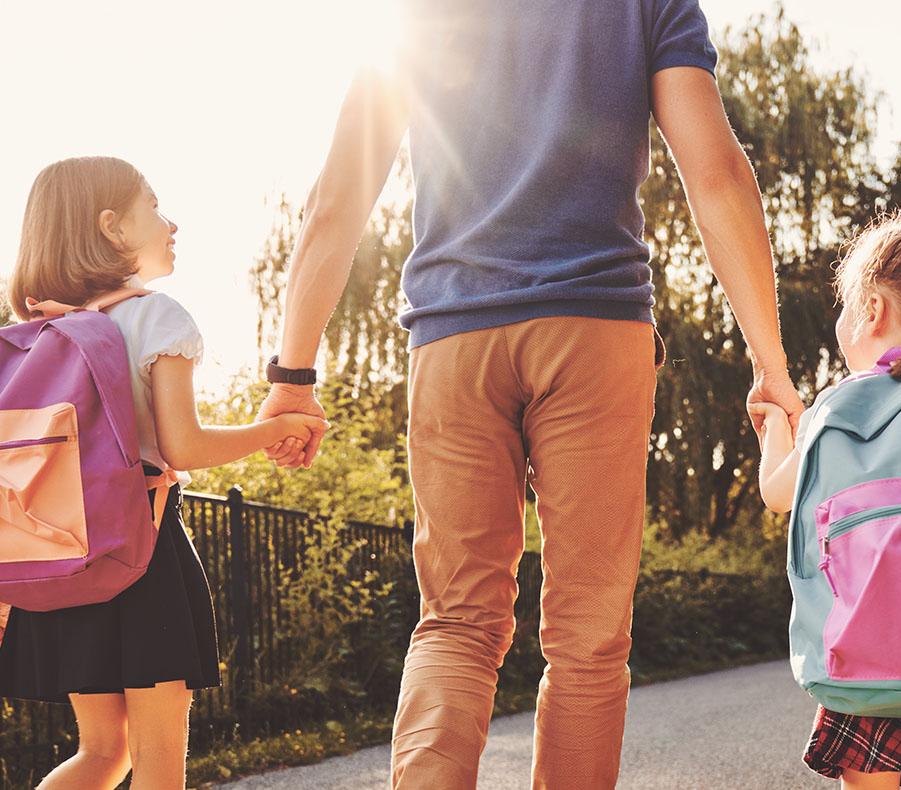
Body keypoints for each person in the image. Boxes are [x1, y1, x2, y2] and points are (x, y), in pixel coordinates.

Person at [255, 1, 803, 786]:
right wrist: (770, 365)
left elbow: (336, 199)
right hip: (597, 331)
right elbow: (715, 172)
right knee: (588, 638)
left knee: (455, 624)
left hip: (454, 340)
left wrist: (293, 378)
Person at [0, 156, 326, 790]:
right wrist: (276, 429)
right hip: (141, 555)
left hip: (64, 556)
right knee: (156, 769)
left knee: (100, 753)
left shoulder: (35, 335)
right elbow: (184, 446)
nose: (171, 222)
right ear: (112, 226)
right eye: (154, 206)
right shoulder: (156, 317)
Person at [750, 212, 901, 790]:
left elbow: (777, 495)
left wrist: (778, 431)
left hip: (872, 672)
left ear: (873, 310)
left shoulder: (838, 409)